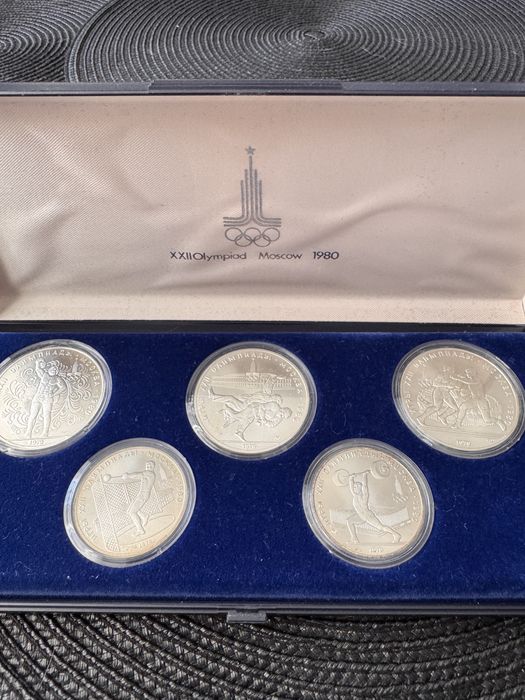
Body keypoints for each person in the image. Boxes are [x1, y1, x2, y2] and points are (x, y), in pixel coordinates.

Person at [103, 461, 156, 535]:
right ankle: (144, 516)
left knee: (132, 512)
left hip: (143, 495)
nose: (148, 467)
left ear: (153, 467)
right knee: (129, 510)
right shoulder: (147, 474)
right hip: (142, 494)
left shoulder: (150, 473)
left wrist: (128, 475)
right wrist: (128, 476)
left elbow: (138, 474)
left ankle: (140, 530)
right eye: (147, 465)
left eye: (150, 466)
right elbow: (137, 476)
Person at [346, 472, 401, 544]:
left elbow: (365, 486)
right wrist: (351, 478)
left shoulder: (364, 496)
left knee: (381, 527)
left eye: (356, 486)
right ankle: (354, 539)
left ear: (360, 488)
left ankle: (396, 535)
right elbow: (351, 488)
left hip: (368, 515)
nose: (354, 488)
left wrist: (364, 476)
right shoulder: (355, 495)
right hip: (360, 516)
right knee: (349, 521)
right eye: (354, 487)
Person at [26, 360, 67, 439]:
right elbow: (37, 369)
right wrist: (38, 362)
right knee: (33, 415)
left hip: (47, 398)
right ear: (48, 369)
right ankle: (28, 432)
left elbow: (63, 387)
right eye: (52, 368)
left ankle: (45, 433)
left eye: (55, 369)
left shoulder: (58, 379)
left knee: (46, 415)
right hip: (38, 397)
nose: (53, 370)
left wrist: (54, 394)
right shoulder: (44, 375)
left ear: (57, 371)